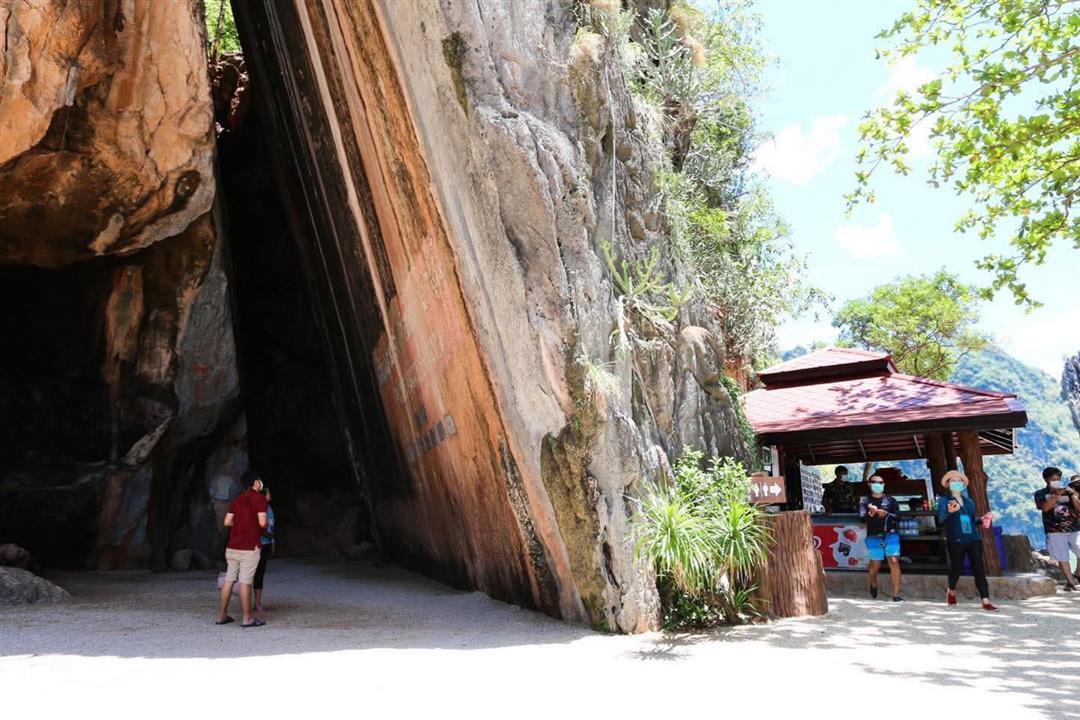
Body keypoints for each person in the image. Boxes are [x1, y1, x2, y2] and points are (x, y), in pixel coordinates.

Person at [937, 470, 997, 611]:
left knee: (979, 569)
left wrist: (982, 519)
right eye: (953, 481)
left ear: (963, 485)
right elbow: (941, 519)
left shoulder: (969, 502)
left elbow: (971, 521)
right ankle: (951, 590)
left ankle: (985, 600)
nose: (956, 483)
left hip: (973, 539)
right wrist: (950, 512)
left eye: (959, 481)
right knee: (957, 568)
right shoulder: (944, 501)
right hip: (956, 539)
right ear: (948, 484)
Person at [216, 470, 269, 627]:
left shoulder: (237, 500)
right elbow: (262, 523)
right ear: (255, 482)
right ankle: (247, 619)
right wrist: (264, 526)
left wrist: (241, 524)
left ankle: (221, 616)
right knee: (246, 582)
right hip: (249, 547)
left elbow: (227, 522)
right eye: (259, 480)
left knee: (230, 579)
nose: (260, 483)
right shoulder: (260, 499)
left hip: (233, 546)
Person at [1034, 466, 1080, 590]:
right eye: (1053, 480)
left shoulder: (1069, 491)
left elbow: (1079, 509)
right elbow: (1044, 508)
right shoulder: (1040, 493)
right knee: (1062, 556)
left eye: (1058, 479)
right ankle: (1071, 582)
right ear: (1046, 480)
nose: (1057, 481)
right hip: (1054, 530)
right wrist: (1055, 495)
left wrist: (1073, 495)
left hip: (1074, 527)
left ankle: (1077, 573)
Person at [859, 474, 903, 601]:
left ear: (884, 484)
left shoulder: (891, 500)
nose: (877, 484)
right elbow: (862, 519)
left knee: (894, 561)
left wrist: (886, 514)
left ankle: (896, 595)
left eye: (880, 482)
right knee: (875, 565)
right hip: (873, 536)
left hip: (891, 534)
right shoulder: (864, 500)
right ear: (869, 484)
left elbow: (898, 517)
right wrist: (871, 513)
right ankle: (873, 582)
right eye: (874, 482)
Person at [253, 485, 275, 613]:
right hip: (257, 543)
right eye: (268, 493)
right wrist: (267, 535)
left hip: (266, 543)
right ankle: (250, 602)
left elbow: (271, 527)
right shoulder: (258, 508)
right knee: (253, 573)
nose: (270, 495)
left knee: (260, 572)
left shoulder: (270, 508)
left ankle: (257, 603)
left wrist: (272, 542)